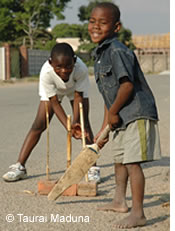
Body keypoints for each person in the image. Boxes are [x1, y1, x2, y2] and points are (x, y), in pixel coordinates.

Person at [88, 2, 161, 229]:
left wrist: (112, 113)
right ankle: (119, 201)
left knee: (132, 163)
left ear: (116, 27)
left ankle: (138, 213)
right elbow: (109, 96)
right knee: (119, 160)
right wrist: (104, 128)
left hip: (136, 113)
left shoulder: (117, 50)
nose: (96, 26)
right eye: (92, 21)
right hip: (120, 115)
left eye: (103, 22)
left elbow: (127, 87)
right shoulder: (100, 54)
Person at [3, 43, 100, 183]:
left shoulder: (81, 69)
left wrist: (76, 123)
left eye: (68, 66)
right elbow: (54, 102)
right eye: (58, 67)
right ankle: (20, 166)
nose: (64, 71)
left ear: (74, 60)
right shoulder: (46, 72)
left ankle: (92, 169)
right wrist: (69, 127)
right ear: (50, 63)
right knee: (38, 125)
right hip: (54, 93)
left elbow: (78, 96)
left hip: (75, 91)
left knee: (85, 125)